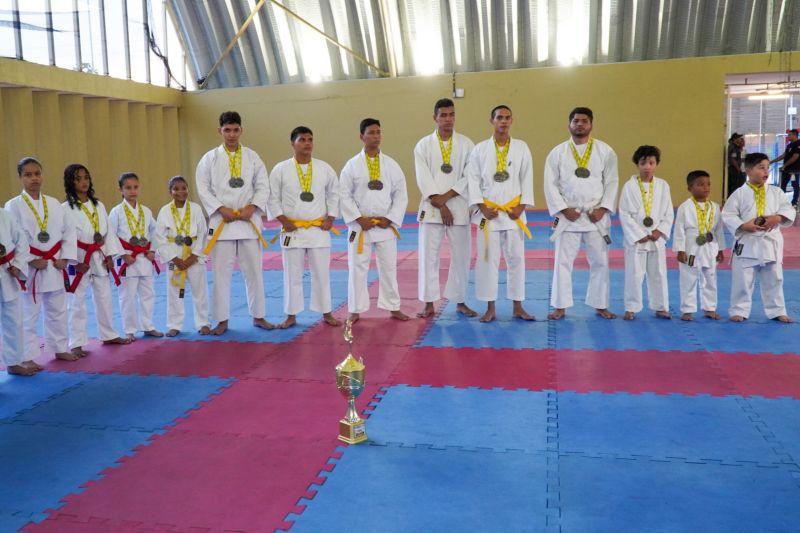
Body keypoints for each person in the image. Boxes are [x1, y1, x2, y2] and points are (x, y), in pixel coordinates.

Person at [195, 111, 272, 335]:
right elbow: (203, 187)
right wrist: (221, 209)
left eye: (235, 129)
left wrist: (253, 206)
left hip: (248, 221)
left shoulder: (252, 157)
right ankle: (221, 320)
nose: (231, 134)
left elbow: (263, 185)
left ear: (241, 130)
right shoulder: (209, 159)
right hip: (222, 222)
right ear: (219, 131)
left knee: (254, 273)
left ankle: (258, 316)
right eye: (227, 130)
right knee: (221, 275)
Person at [544, 107, 618, 320]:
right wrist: (564, 209)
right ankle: (560, 306)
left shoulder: (605, 151)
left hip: (596, 216)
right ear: (569, 125)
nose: (580, 124)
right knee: (562, 262)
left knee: (600, 262)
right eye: (576, 121)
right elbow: (550, 184)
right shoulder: (557, 152)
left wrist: (603, 208)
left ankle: (600, 304)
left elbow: (612, 182)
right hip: (569, 215)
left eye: (584, 121)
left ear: (591, 125)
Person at [267, 126, 341, 329]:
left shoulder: (324, 168)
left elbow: (334, 193)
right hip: (293, 229)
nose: (307, 143)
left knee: (322, 273)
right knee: (292, 274)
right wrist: (283, 220)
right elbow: (272, 197)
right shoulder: (280, 169)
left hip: (318, 229)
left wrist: (331, 217)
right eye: (302, 140)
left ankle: (326, 312)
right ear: (293, 144)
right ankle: (291, 315)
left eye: (310, 139)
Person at [5, 157, 77, 365]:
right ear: (20, 178)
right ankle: (27, 356)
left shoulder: (54, 204)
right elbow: (10, 237)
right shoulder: (13, 206)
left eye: (37, 173)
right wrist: (28, 259)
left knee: (58, 309)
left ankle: (60, 347)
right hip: (31, 269)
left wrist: (65, 257)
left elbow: (68, 231)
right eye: (28, 175)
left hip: (54, 264)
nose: (34, 178)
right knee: (28, 315)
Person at [466, 104, 534, 323]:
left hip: (514, 213)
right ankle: (490, 307)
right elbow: (473, 180)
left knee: (516, 260)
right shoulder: (479, 150)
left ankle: (518, 306)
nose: (503, 121)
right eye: (499, 117)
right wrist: (481, 207)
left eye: (507, 118)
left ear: (512, 121)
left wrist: (522, 206)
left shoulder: (522, 147)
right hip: (489, 213)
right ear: (491, 121)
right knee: (487, 261)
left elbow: (527, 177)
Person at [339, 118, 409, 323]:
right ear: (362, 136)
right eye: (371, 132)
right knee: (357, 268)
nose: (376, 136)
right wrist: (359, 219)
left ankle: (393, 306)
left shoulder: (391, 164)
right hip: (360, 227)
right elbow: (344, 195)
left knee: (388, 267)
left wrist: (391, 218)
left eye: (379, 132)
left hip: (385, 225)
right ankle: (355, 309)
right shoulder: (351, 166)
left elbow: (400, 194)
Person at [414, 98, 476, 319]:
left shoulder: (467, 144)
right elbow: (423, 177)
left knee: (461, 256)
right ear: (435, 118)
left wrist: (447, 199)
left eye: (451, 115)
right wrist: (439, 203)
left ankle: (460, 301)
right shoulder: (423, 145)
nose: (448, 119)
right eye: (443, 115)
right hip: (431, 208)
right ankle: (429, 303)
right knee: (429, 256)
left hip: (458, 206)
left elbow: (469, 176)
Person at [62, 163, 129, 356]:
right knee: (76, 301)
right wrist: (75, 261)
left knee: (104, 296)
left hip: (99, 255)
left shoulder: (98, 205)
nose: (83, 182)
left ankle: (108, 334)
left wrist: (109, 255)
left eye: (85, 177)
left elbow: (107, 232)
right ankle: (76, 342)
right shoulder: (65, 208)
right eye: (78, 178)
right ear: (70, 182)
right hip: (80, 259)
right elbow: (65, 237)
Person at [722, 153, 796, 322]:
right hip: (747, 241)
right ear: (748, 170)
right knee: (743, 278)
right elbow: (728, 214)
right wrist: (743, 225)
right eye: (761, 167)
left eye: (768, 168)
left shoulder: (776, 192)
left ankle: (777, 310)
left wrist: (777, 218)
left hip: (770, 242)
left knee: (774, 278)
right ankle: (739, 310)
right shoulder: (739, 194)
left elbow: (788, 210)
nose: (766, 171)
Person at [618, 146, 674, 320]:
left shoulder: (663, 185)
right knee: (634, 274)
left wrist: (660, 230)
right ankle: (631, 307)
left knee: (659, 273)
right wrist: (638, 234)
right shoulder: (629, 186)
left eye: (651, 163)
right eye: (643, 163)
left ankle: (660, 306)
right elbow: (624, 213)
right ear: (637, 164)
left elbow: (668, 212)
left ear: (656, 164)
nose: (647, 167)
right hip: (637, 239)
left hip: (656, 238)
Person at [108, 172, 163, 340]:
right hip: (128, 260)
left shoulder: (145, 211)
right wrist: (123, 255)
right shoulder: (116, 212)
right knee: (127, 296)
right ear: (120, 190)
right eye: (128, 188)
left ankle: (148, 326)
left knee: (148, 294)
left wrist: (153, 250)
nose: (132, 191)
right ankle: (130, 330)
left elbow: (155, 232)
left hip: (144, 258)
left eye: (135, 187)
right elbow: (111, 235)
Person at [155, 176, 211, 337]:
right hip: (175, 257)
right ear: (170, 192)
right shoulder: (165, 211)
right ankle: (175, 324)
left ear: (188, 189)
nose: (181, 192)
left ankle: (203, 323)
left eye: (184, 188)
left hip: (194, 256)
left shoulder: (195, 209)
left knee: (199, 291)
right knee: (175, 292)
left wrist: (194, 256)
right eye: (176, 189)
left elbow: (202, 233)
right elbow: (160, 238)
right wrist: (175, 259)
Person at [673, 170, 725, 321]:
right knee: (688, 279)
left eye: (708, 184)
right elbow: (679, 230)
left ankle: (709, 308)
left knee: (710, 278)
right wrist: (680, 249)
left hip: (710, 245)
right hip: (691, 246)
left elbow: (719, 230)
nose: (706, 187)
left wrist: (720, 249)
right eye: (700, 184)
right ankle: (687, 309)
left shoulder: (715, 207)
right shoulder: (685, 207)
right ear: (690, 188)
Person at [0, 207, 32, 375]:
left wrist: (18, 265)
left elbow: (22, 243)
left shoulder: (5, 215)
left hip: (7, 272)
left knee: (14, 318)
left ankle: (14, 361)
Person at [770, 129, 800, 206]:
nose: (788, 136)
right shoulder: (789, 145)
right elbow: (784, 155)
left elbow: (795, 156)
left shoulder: (798, 143)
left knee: (795, 185)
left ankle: (794, 202)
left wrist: (784, 165)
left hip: (794, 170)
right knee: (783, 185)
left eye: (789, 135)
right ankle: (782, 202)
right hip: (786, 169)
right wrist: (772, 161)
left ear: (794, 135)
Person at [727, 133, 746, 198]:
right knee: (734, 186)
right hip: (735, 170)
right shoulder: (733, 147)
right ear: (735, 139)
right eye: (739, 138)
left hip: (740, 169)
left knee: (738, 185)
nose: (741, 140)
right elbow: (732, 159)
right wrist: (738, 169)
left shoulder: (738, 148)